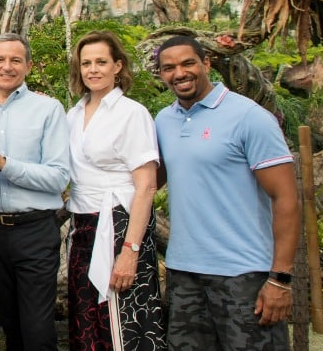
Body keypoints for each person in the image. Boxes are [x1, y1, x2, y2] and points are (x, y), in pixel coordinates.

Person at [154, 35, 298, 351]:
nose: (179, 73)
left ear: (207, 63)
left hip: (243, 275)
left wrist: (280, 279)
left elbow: (286, 198)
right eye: (169, 67)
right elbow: (149, 181)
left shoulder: (249, 117)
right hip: (184, 275)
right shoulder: (164, 121)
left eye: (188, 63)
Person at [0, 33, 70, 351]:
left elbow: (58, 178)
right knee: (11, 327)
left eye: (16, 60)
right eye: (0, 60)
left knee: (37, 331)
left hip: (35, 231)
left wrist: (2, 162)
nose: (7, 67)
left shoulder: (48, 109)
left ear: (28, 66)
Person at [64, 31, 165, 351]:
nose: (93, 69)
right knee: (87, 317)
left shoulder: (131, 114)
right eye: (86, 63)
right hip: (82, 226)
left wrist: (130, 251)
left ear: (118, 66)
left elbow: (147, 186)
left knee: (124, 316)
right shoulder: (73, 113)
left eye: (101, 62)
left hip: (121, 223)